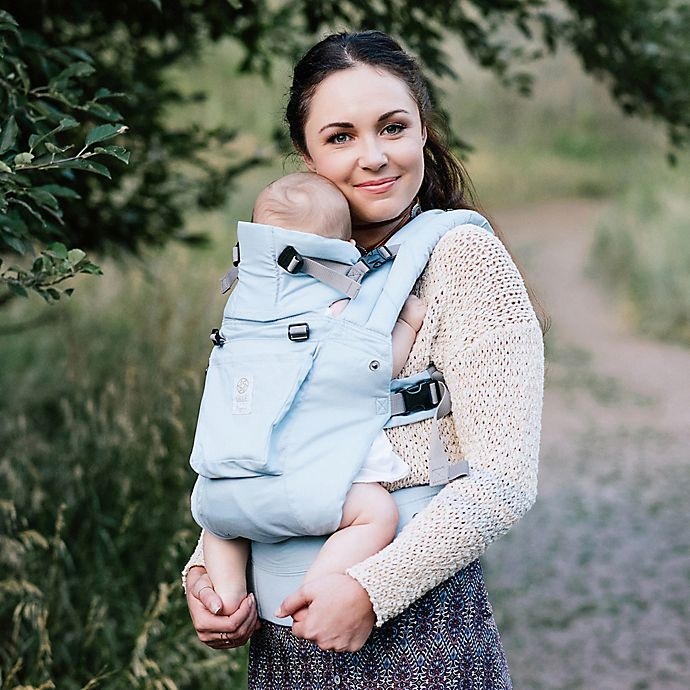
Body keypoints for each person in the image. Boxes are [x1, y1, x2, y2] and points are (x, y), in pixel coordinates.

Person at [183, 30, 544, 688]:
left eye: (393, 127)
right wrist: (206, 579)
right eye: (341, 136)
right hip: (286, 641)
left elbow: (503, 485)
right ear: (307, 155)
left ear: (424, 130)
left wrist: (369, 591)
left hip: (417, 634)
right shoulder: (288, 272)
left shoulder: (461, 260)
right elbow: (257, 441)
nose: (374, 157)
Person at [197, 170, 426, 619]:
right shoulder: (344, 306)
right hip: (311, 485)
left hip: (229, 484)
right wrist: (408, 324)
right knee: (376, 514)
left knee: (222, 526)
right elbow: (370, 372)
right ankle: (317, 588)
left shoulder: (240, 309)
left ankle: (225, 598)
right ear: (343, 249)